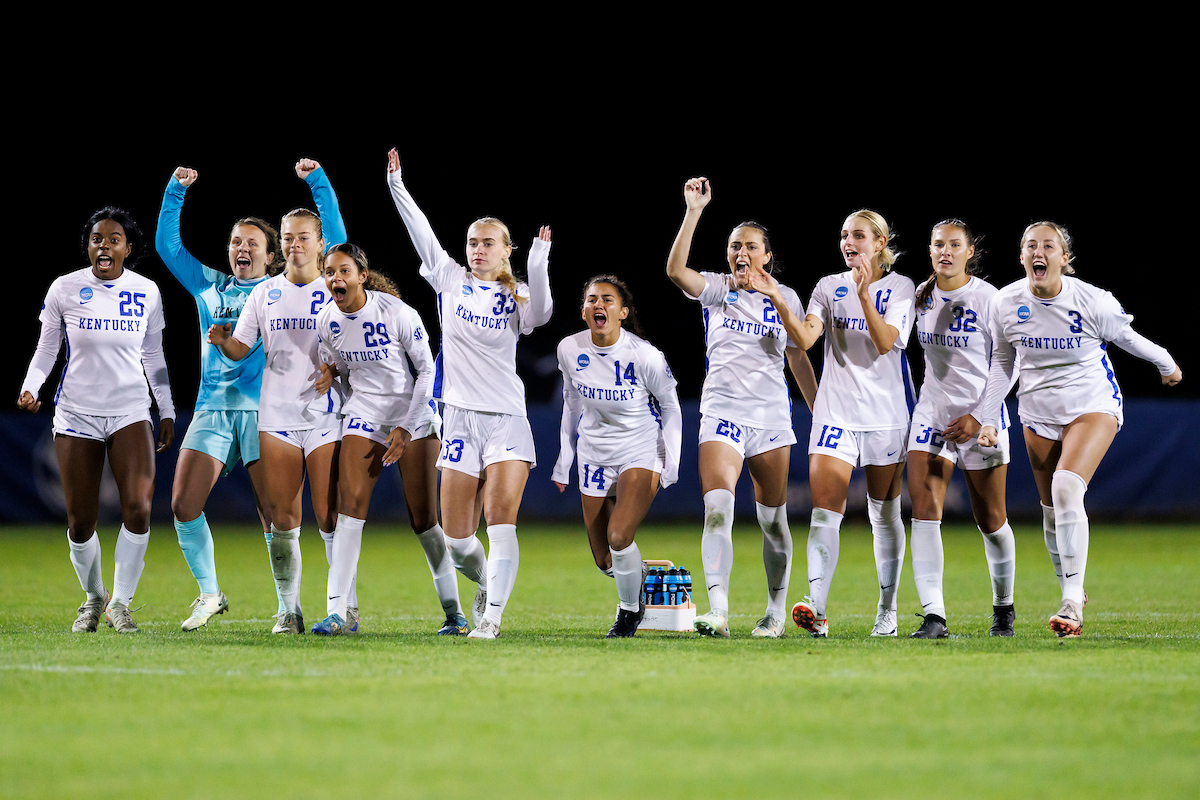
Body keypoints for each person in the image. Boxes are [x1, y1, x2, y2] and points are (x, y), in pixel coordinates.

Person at [976, 221, 1181, 638]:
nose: (1040, 252)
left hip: (1092, 404)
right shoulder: (1004, 303)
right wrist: (987, 416)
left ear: (1064, 259)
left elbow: (1127, 337)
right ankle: (1071, 585)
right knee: (1051, 510)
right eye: (1031, 245)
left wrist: (1166, 363)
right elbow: (1002, 362)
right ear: (1021, 258)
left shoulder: (1092, 300)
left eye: (1049, 246)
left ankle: (1071, 604)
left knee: (1067, 488)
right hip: (1037, 412)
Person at [386, 147, 552, 640]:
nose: (478, 249)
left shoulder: (516, 292)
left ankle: (492, 618)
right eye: (472, 242)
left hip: (505, 418)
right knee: (457, 539)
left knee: (501, 520)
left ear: (507, 250)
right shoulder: (449, 279)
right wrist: (397, 183)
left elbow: (540, 315)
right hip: (457, 418)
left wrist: (540, 264)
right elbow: (421, 233)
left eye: (488, 243)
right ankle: (486, 582)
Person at [665, 177, 818, 639]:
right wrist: (693, 211)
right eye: (735, 246)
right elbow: (676, 270)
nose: (742, 252)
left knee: (773, 518)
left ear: (767, 254)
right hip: (721, 411)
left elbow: (798, 352)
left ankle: (774, 612)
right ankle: (720, 610)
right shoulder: (717, 289)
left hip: (770, 416)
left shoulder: (785, 296)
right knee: (717, 509)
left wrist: (819, 408)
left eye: (751, 246)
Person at [207, 159, 348, 634]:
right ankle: (290, 609)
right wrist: (223, 341)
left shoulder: (336, 291)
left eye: (303, 236)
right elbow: (241, 350)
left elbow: (360, 347)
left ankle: (341, 606)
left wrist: (337, 369)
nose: (293, 243)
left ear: (320, 242)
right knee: (282, 519)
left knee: (328, 515)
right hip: (276, 416)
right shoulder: (263, 294)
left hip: (325, 415)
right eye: (287, 236)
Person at [20, 207, 175, 633]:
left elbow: (154, 356)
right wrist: (32, 385)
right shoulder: (65, 288)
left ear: (127, 248)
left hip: (130, 410)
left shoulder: (146, 291)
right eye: (96, 239)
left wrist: (166, 407)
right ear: (88, 246)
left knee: (139, 509)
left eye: (113, 239)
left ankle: (120, 603)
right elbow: (47, 349)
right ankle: (93, 597)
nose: (103, 245)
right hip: (76, 413)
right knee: (80, 520)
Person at [154, 165, 289, 631]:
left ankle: (286, 607)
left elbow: (332, 245)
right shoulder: (209, 285)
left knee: (273, 515)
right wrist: (176, 192)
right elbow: (167, 248)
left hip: (263, 412)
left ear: (272, 257)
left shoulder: (280, 289)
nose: (242, 248)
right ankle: (210, 593)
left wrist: (318, 185)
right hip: (212, 408)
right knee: (182, 505)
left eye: (253, 243)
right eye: (236, 242)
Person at [310, 243, 464, 636]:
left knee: (424, 520)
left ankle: (454, 611)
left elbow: (428, 372)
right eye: (329, 272)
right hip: (364, 415)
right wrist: (332, 374)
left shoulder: (397, 313)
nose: (335, 279)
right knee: (349, 508)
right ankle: (338, 612)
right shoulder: (327, 320)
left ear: (362, 275)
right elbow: (344, 366)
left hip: (412, 415)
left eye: (344, 271)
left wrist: (408, 427)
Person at [785, 210, 917, 638]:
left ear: (880, 243)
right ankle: (816, 607)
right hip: (836, 414)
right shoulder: (827, 286)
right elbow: (805, 340)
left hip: (886, 416)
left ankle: (888, 609)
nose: (848, 241)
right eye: (843, 234)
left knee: (884, 514)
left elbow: (884, 344)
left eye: (858, 235)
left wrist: (863, 296)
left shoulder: (901, 288)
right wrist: (777, 298)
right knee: (825, 512)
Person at [552, 276, 682, 637]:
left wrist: (672, 461)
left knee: (620, 536)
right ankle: (636, 575)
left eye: (607, 300)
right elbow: (571, 400)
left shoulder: (644, 355)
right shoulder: (569, 349)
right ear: (583, 310)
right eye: (591, 299)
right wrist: (565, 457)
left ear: (623, 312)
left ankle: (628, 614)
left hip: (640, 449)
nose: (599, 305)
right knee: (605, 559)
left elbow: (671, 407)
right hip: (594, 453)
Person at [905, 220, 1017, 638]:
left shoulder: (991, 299)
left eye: (955, 245)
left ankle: (1004, 608)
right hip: (933, 415)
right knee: (924, 508)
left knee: (991, 519)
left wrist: (981, 417)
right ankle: (935, 616)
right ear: (929, 250)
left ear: (971, 251)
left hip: (981, 420)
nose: (945, 251)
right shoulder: (920, 296)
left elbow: (1009, 363)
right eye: (938, 245)